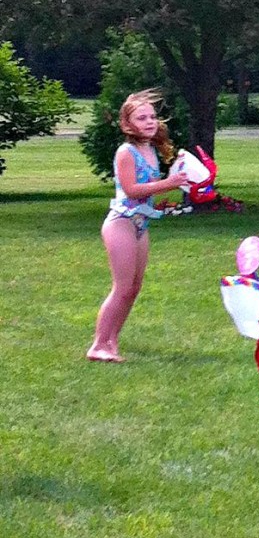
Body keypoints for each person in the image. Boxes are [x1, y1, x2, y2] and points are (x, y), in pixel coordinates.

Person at [86, 90, 184, 363]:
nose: (150, 121)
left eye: (152, 116)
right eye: (142, 118)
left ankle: (111, 340)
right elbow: (130, 190)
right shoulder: (126, 151)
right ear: (127, 125)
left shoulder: (150, 149)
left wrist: (160, 203)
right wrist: (170, 183)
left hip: (140, 224)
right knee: (121, 287)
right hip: (121, 224)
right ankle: (98, 345)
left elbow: (146, 193)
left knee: (134, 287)